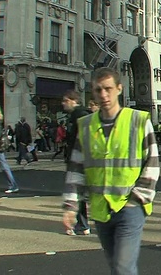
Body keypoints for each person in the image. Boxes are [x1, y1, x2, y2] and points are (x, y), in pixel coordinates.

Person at [63, 68, 159, 275]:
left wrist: (138, 198)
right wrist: (71, 205)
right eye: (98, 90)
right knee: (115, 264)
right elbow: (77, 168)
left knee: (123, 267)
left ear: (119, 89)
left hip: (130, 206)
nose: (103, 95)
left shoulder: (138, 120)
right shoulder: (86, 125)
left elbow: (152, 162)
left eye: (108, 89)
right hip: (101, 207)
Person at [61, 90, 92, 236]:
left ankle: (83, 224)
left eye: (65, 100)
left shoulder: (78, 115)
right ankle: (83, 224)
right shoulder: (80, 114)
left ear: (74, 101)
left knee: (78, 191)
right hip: (81, 158)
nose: (63, 103)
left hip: (79, 159)